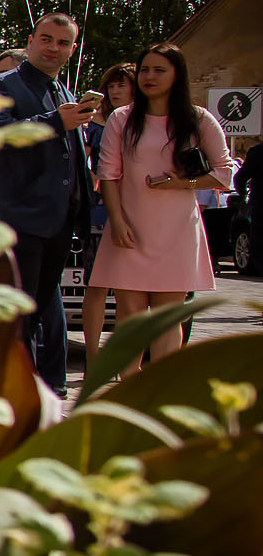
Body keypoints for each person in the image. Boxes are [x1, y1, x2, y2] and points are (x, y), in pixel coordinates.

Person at [89, 43, 234, 371]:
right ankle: (129, 390)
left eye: (159, 70)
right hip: (129, 227)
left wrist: (183, 183)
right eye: (144, 70)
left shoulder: (198, 119)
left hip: (178, 230)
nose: (149, 77)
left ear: (177, 74)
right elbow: (107, 175)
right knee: (130, 318)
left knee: (169, 320)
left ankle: (158, 393)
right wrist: (116, 219)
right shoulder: (121, 119)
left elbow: (224, 174)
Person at [0, 12, 97, 393]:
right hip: (19, 218)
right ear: (31, 41)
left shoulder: (63, 92)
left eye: (63, 43)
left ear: (73, 49)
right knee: (18, 315)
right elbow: (0, 135)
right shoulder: (0, 83)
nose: (54, 48)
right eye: (46, 39)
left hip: (60, 221)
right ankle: (18, 394)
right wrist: (54, 123)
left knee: (44, 310)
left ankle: (43, 389)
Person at [78, 62, 138, 360]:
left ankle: (125, 357)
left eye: (122, 85)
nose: (115, 91)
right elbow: (83, 161)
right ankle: (92, 357)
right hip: (101, 209)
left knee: (130, 291)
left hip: (139, 207)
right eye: (111, 85)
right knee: (96, 283)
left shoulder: (145, 121)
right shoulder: (95, 123)